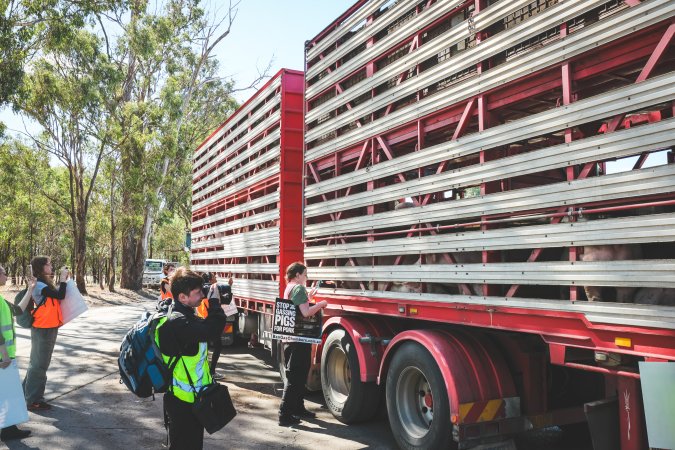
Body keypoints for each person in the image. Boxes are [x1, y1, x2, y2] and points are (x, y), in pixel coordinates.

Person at [156, 267, 226, 449]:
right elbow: (212, 331)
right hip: (182, 403)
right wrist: (215, 302)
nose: (202, 295)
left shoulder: (184, 314)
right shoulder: (178, 322)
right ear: (182, 297)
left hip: (191, 398)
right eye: (198, 293)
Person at [278, 262, 328, 427]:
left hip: (289, 339)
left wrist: (309, 298)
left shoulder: (289, 287)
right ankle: (284, 414)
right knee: (295, 377)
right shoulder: (299, 289)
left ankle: (298, 408)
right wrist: (320, 305)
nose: (306, 278)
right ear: (298, 275)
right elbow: (306, 313)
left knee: (297, 376)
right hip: (298, 339)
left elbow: (298, 308)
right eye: (305, 275)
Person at [23, 256, 69, 411]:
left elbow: (58, 297)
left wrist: (62, 281)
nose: (51, 267)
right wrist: (62, 280)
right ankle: (34, 399)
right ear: (42, 268)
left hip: (48, 328)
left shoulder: (44, 284)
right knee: (39, 365)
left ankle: (26, 394)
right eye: (49, 265)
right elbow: (60, 295)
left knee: (36, 363)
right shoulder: (40, 286)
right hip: (43, 329)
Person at [0, 265, 34, 441]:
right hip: (2, 357)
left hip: (6, 355)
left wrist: (30, 290)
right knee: (7, 394)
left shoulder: (1, 299)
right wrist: (4, 354)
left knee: (7, 394)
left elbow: (18, 310)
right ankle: (8, 431)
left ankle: (8, 429)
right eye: (4, 273)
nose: (7, 275)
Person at [196, 272, 233, 380]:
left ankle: (204, 371)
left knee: (205, 348)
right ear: (210, 279)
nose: (216, 278)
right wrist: (229, 286)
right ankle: (211, 372)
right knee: (217, 346)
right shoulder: (212, 288)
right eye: (214, 277)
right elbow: (226, 300)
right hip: (211, 322)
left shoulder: (200, 290)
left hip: (202, 321)